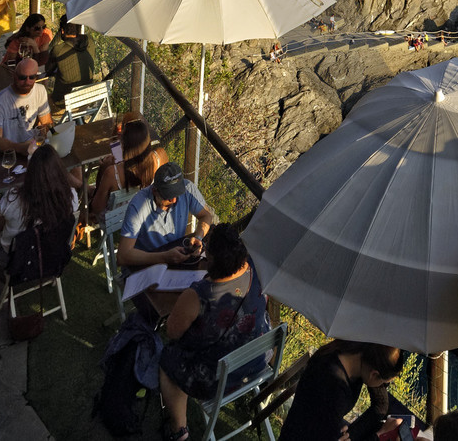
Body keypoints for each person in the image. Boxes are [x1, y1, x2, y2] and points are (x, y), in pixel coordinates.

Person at [156, 224, 271, 441]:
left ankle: (179, 430)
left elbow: (172, 332)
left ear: (211, 260)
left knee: (168, 358)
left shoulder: (198, 295)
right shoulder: (253, 267)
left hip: (218, 378)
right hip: (257, 357)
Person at [279, 341, 408, 441]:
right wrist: (380, 435)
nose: (383, 387)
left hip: (312, 428)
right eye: (385, 384)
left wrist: (352, 433)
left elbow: (380, 405)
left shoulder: (354, 353)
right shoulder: (333, 387)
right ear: (374, 374)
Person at [117, 161, 218, 270]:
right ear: (154, 191)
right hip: (147, 262)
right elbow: (122, 256)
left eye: (177, 194)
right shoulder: (138, 205)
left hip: (175, 253)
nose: (174, 200)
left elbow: (206, 216)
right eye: (168, 196)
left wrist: (198, 236)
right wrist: (164, 257)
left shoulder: (188, 188)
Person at [0, 143, 78, 271]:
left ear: (31, 172)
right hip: (52, 257)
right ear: (59, 171)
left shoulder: (13, 198)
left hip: (15, 261)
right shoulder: (71, 197)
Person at [90, 117, 168, 217]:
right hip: (142, 213)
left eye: (122, 136)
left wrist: (104, 168)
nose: (119, 135)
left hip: (115, 219)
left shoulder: (112, 173)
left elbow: (97, 208)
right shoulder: (159, 157)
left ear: (126, 145)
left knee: (91, 199)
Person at [0, 58, 53, 156]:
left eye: (32, 77)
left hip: (33, 146)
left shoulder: (40, 90)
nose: (27, 81)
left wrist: (50, 139)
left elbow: (46, 122)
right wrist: (21, 148)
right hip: (9, 152)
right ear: (14, 76)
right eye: (22, 77)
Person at [45, 19, 97, 100]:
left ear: (62, 31)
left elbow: (48, 70)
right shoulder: (90, 40)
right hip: (85, 98)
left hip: (64, 101)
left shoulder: (58, 49)